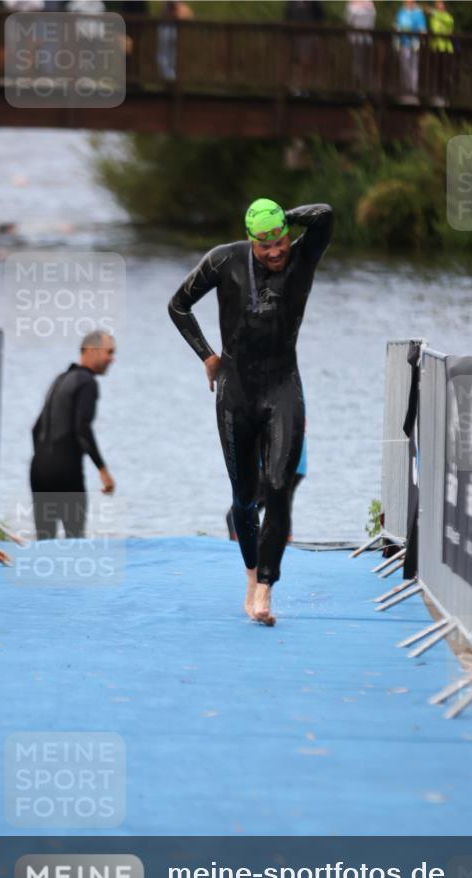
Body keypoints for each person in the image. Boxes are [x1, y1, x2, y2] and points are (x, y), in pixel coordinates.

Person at [168, 199, 333, 626]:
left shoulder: (303, 257)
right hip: (235, 394)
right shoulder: (223, 260)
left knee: (277, 485)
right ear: (249, 240)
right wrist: (207, 356)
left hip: (282, 388)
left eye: (280, 241)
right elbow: (178, 305)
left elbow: (325, 215)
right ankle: (250, 576)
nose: (275, 252)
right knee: (243, 498)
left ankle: (265, 588)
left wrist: (282, 217)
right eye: (264, 245)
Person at [30, 330, 116, 540]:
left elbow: (36, 429)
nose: (112, 359)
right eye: (109, 352)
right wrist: (103, 470)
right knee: (75, 540)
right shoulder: (87, 382)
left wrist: (46, 461)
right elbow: (82, 429)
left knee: (44, 541)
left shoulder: (61, 379)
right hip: (66, 470)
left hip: (38, 469)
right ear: (91, 350)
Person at [394, 0, 427, 100]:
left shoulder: (418, 13)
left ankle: (412, 91)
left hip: (414, 44)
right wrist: (396, 40)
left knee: (413, 68)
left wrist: (421, 39)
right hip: (403, 43)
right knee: (404, 67)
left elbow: (422, 29)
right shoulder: (401, 11)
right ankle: (405, 89)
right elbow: (397, 26)